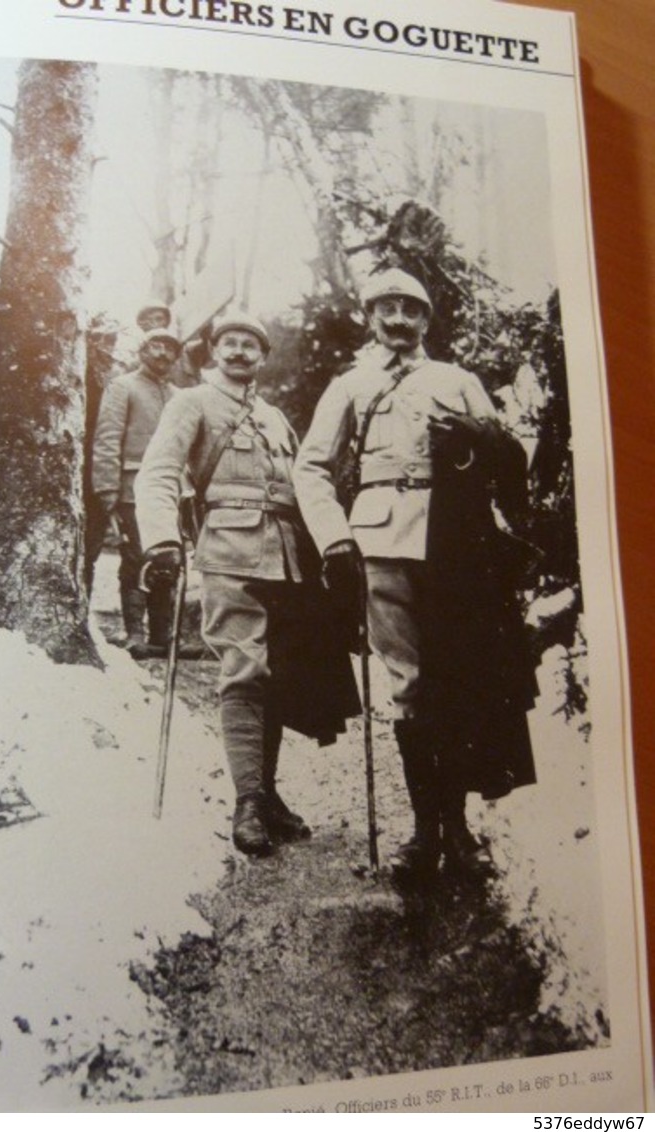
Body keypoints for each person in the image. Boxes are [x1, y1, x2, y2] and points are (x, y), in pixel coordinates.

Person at [293, 268, 537, 885]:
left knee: (453, 679)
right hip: (379, 540)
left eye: (410, 310)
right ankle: (425, 829)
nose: (398, 320)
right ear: (370, 317)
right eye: (387, 309)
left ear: (427, 320)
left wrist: (479, 438)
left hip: (452, 545)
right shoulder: (350, 385)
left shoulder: (456, 380)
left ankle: (456, 827)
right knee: (408, 685)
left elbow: (510, 456)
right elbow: (312, 467)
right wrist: (335, 537)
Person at [135, 310, 359, 857]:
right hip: (230, 552)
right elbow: (159, 470)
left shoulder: (275, 416)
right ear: (214, 352)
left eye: (250, 345)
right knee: (243, 670)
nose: (239, 352)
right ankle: (247, 804)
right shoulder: (190, 402)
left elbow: (306, 484)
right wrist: (161, 539)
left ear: (263, 356)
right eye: (229, 343)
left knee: (277, 676)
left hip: (288, 557)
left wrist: (333, 542)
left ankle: (268, 794)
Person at [89, 326, 182, 659]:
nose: (162, 353)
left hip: (170, 490)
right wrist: (106, 488)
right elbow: (108, 438)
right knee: (136, 559)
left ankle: (163, 636)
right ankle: (135, 633)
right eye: (155, 346)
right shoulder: (122, 387)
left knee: (168, 559)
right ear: (142, 351)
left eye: (170, 348)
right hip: (132, 488)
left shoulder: (178, 395)